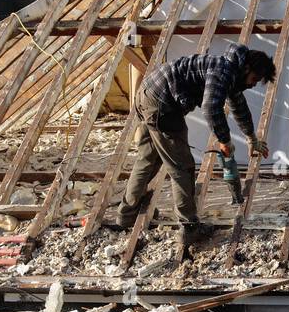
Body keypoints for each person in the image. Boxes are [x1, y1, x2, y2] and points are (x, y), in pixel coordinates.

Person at [107, 43, 274, 257]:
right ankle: (189, 227)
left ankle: (127, 214)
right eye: (254, 80)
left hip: (150, 93)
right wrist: (224, 140)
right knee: (182, 167)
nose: (252, 85)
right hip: (162, 105)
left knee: (148, 159)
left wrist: (251, 138)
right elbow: (211, 107)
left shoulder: (229, 70)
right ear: (247, 68)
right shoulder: (224, 71)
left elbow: (239, 107)